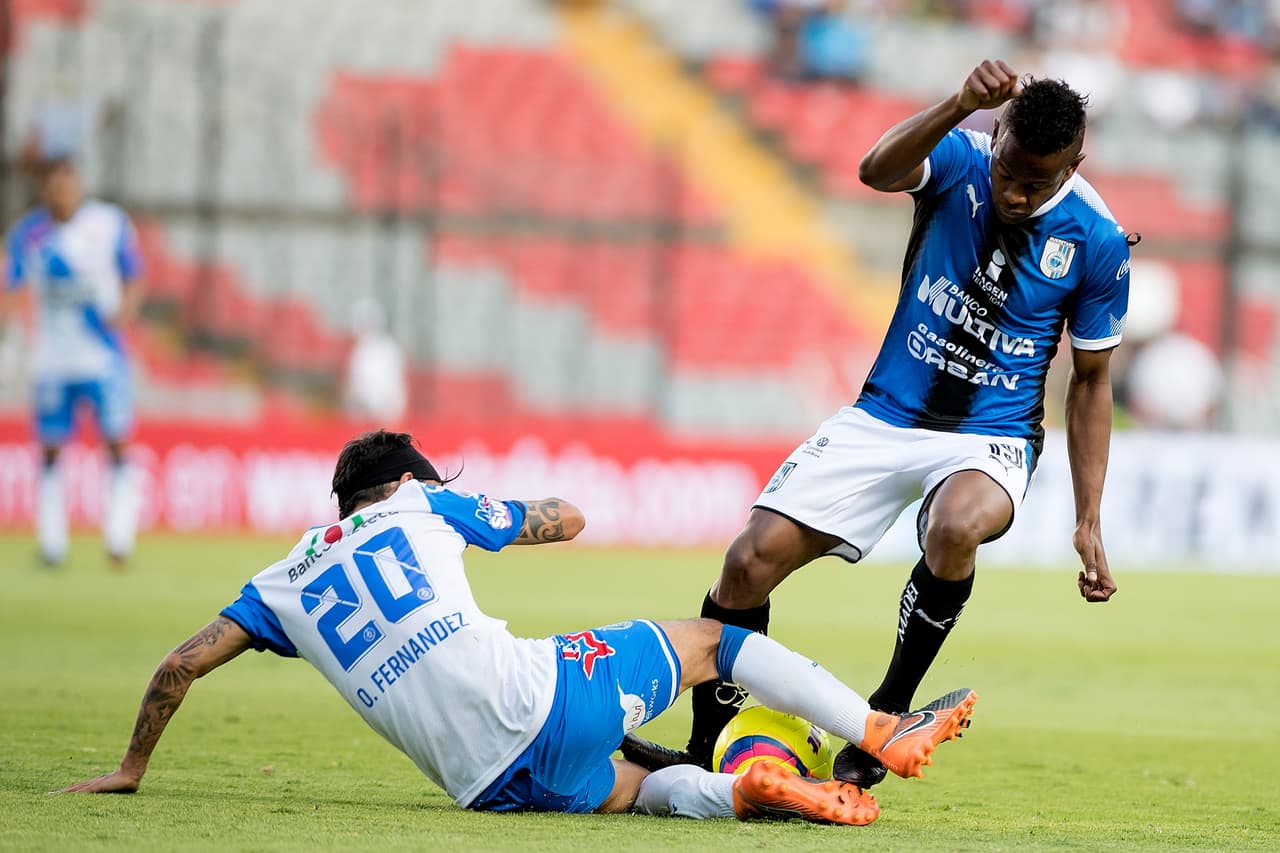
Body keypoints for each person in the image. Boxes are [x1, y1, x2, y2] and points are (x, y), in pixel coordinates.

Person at [622, 60, 1131, 788]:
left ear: (1073, 165)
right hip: (883, 414)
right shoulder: (960, 159)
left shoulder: (1098, 241)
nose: (1015, 193)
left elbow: (1090, 383)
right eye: (1009, 171)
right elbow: (874, 169)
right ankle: (706, 748)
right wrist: (958, 104)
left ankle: (885, 717)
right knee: (746, 562)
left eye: (1037, 182)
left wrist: (1089, 518)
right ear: (998, 138)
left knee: (957, 524)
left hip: (992, 432)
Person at [61, 430, 977, 826]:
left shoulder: (282, 581)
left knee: (632, 788)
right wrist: (459, 500)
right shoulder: (421, 510)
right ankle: (877, 729)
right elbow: (570, 515)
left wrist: (133, 765)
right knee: (714, 642)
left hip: (483, 783)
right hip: (541, 698)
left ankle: (744, 794)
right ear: (407, 481)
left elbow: (180, 668)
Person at [2, 156, 144, 567]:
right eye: (55, 184)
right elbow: (11, 290)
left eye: (68, 182)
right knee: (48, 452)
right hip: (52, 362)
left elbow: (133, 274)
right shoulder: (29, 235)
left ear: (77, 184)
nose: (62, 191)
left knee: (117, 446)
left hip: (102, 357)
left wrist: (127, 309)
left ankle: (119, 539)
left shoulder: (109, 224)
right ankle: (52, 545)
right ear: (45, 188)